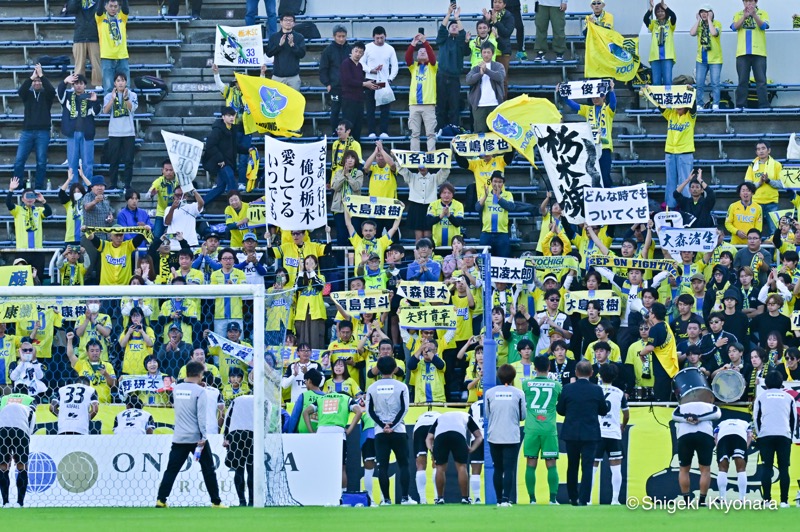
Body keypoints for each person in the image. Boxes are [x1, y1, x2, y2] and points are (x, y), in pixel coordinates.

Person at [156, 361, 226, 508]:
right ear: (200, 374)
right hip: (196, 438)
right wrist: (203, 437)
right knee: (208, 469)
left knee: (172, 469)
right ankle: (216, 502)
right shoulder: (201, 392)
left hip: (180, 436)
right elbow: (201, 417)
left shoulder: (176, 389)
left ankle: (161, 500)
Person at [556, 359, 610, 506]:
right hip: (590, 433)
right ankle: (584, 498)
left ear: (576, 372)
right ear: (592, 373)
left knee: (572, 465)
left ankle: (572, 497)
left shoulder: (567, 388)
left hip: (571, 432)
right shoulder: (596, 390)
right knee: (587, 466)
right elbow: (603, 410)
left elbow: (560, 410)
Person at [366, 356, 413, 505]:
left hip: (380, 432)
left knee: (382, 466)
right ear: (394, 369)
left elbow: (369, 411)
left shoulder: (372, 387)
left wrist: (383, 425)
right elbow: (405, 408)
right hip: (398, 430)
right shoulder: (401, 386)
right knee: (404, 464)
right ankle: (405, 498)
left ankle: (386, 500)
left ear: (378, 370)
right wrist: (392, 425)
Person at [302, 388, 362, 492]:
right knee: (341, 467)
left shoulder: (322, 398)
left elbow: (306, 412)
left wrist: (311, 431)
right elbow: (359, 411)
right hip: (338, 432)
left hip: (321, 432)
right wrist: (349, 430)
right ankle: (342, 495)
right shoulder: (347, 398)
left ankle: (322, 493)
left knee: (321, 466)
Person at [559, 80, 616, 188]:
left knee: (605, 174)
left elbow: (613, 103)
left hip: (604, 146)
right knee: (593, 174)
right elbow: (572, 104)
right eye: (592, 97)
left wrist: (612, 90)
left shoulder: (608, 110)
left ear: (603, 97)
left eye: (597, 97)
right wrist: (561, 92)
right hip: (591, 147)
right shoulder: (588, 109)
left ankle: (608, 195)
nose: (594, 99)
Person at [753, 371, 796, 507]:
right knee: (784, 468)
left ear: (766, 383)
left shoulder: (761, 396)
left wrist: (760, 434)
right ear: (781, 382)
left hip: (766, 435)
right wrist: (790, 435)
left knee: (766, 467)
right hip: (784, 435)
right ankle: (784, 501)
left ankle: (767, 500)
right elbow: (793, 419)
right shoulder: (788, 397)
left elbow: (756, 418)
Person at [523, 356, 562, 505]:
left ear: (534, 368)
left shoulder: (527, 384)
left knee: (530, 464)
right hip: (549, 429)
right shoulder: (556, 385)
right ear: (549, 367)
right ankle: (553, 499)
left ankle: (532, 499)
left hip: (532, 429)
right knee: (551, 464)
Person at [484, 364, 525, 506]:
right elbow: (522, 415)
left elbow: (487, 414)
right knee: (509, 468)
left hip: (494, 434)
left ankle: (498, 500)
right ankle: (506, 499)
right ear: (513, 377)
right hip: (511, 435)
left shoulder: (489, 393)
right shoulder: (519, 393)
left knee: (498, 468)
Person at [426, 410, 483, 504]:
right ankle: (465, 498)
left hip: (441, 437)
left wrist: (431, 449)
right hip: (458, 435)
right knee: (461, 467)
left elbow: (429, 438)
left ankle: (440, 498)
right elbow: (479, 436)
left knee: (440, 468)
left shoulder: (440, 417)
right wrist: (472, 449)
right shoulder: (467, 415)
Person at [591, 363, 629, 505]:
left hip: (597, 433)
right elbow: (626, 414)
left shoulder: (594, 390)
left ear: (599, 375)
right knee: (616, 468)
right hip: (613, 433)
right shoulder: (619, 393)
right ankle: (615, 500)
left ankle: (588, 499)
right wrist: (622, 426)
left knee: (593, 467)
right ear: (615, 376)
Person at [672, 399, 721, 505]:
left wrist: (688, 418)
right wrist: (699, 418)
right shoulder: (709, 405)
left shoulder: (681, 406)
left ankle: (686, 501)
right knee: (705, 469)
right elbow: (717, 414)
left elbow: (674, 416)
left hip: (685, 435)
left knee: (684, 469)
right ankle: (702, 501)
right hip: (704, 434)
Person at [14, 64, 55, 189]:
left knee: (41, 161)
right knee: (19, 160)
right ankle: (17, 185)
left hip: (42, 132)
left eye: (39, 81)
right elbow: (20, 91)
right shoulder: (27, 95)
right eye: (35, 81)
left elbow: (52, 91)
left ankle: (38, 186)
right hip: (27, 131)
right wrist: (32, 77)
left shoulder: (47, 96)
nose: (37, 83)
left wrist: (41, 75)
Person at [654, 88, 696, 209]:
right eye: (677, 103)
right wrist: (651, 91)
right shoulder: (671, 113)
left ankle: (687, 207)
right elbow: (660, 104)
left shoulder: (691, 116)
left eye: (682, 103)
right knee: (670, 182)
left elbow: (693, 105)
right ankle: (670, 207)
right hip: (670, 152)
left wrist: (690, 91)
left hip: (685, 152)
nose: (679, 106)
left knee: (685, 181)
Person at [58, 73, 102, 181]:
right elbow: (59, 94)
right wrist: (64, 81)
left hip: (87, 134)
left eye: (81, 83)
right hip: (72, 134)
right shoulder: (68, 97)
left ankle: (87, 188)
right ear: (73, 85)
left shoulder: (90, 97)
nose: (78, 86)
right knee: (72, 163)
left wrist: (95, 101)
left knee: (87, 163)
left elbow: (97, 112)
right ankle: (74, 189)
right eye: (76, 83)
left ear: (85, 85)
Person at [203, 107, 249, 204]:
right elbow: (210, 145)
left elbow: (235, 146)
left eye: (233, 115)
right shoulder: (217, 130)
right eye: (229, 116)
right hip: (221, 162)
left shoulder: (232, 129)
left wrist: (247, 150)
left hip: (228, 162)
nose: (231, 118)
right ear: (223, 117)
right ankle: (237, 205)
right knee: (231, 180)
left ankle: (200, 204)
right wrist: (220, 159)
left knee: (220, 188)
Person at [0, 388, 36, 507]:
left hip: (2, 431)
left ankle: (5, 503)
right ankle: (20, 503)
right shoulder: (29, 405)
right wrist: (26, 440)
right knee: (22, 467)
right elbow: (30, 425)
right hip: (20, 432)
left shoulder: (4, 402)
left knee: (3, 467)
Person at [636, 302, 679, 402]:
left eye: (650, 312)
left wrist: (641, 353)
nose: (649, 314)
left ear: (654, 314)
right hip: (669, 367)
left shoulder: (654, 329)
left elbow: (650, 347)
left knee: (661, 399)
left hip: (661, 367)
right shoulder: (665, 325)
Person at [732, 0, 770, 109]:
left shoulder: (763, 13)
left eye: (751, 1)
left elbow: (764, 26)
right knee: (743, 80)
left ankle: (764, 106)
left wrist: (754, 15)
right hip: (742, 52)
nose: (749, 3)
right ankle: (741, 106)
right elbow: (734, 27)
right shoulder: (738, 14)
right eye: (746, 1)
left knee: (761, 81)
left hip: (759, 52)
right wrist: (744, 17)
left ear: (756, 2)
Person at [435, 5, 468, 130]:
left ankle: (453, 129)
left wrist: (457, 19)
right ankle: (440, 130)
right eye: (452, 26)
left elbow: (463, 34)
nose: (454, 27)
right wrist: (448, 14)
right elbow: (442, 28)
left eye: (456, 26)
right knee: (441, 106)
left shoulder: (460, 42)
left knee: (454, 106)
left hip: (455, 78)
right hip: (442, 77)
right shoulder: (443, 40)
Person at [362, 26, 398, 139]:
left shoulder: (390, 49)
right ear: (373, 37)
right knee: (370, 107)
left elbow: (395, 65)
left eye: (382, 38)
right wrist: (371, 70)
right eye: (377, 38)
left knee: (385, 108)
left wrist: (390, 78)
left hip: (384, 81)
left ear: (385, 36)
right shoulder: (367, 48)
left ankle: (384, 131)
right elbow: (362, 63)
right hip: (370, 79)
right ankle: (371, 131)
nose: (379, 40)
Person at [102, 72, 137, 189]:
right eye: (118, 80)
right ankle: (113, 184)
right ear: (114, 83)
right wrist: (112, 100)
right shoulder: (108, 96)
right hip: (114, 133)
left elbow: (132, 108)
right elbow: (105, 111)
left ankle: (127, 184)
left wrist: (126, 98)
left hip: (129, 132)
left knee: (128, 161)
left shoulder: (132, 95)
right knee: (114, 160)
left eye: (122, 80)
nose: (120, 83)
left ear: (126, 82)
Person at [406, 33, 437, 153]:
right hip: (414, 104)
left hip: (429, 104)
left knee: (430, 133)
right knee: (414, 133)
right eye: (420, 52)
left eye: (425, 51)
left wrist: (425, 42)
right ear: (417, 56)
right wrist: (413, 44)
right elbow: (408, 58)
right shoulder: (413, 67)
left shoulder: (433, 67)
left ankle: (432, 155)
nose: (423, 52)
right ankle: (415, 154)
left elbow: (433, 58)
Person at [745, 140, 783, 236]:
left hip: (772, 202)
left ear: (769, 150)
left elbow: (781, 184)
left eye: (763, 148)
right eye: (758, 149)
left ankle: (772, 252)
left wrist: (769, 181)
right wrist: (760, 183)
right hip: (756, 203)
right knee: (754, 231)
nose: (761, 151)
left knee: (774, 231)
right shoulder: (752, 165)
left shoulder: (776, 165)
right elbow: (748, 185)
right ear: (756, 152)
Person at [340, 42, 377, 141]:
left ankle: (355, 153)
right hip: (348, 100)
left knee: (357, 128)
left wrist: (371, 84)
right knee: (348, 128)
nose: (358, 54)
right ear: (351, 51)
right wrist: (365, 84)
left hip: (359, 100)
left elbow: (359, 82)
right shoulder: (346, 63)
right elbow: (348, 81)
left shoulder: (360, 66)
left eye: (360, 52)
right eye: (356, 51)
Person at [223, 393, 255, 507]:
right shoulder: (262, 400)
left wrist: (226, 437)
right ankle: (252, 501)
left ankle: (242, 501)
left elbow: (228, 417)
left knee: (239, 468)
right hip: (253, 433)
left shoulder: (237, 399)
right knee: (252, 469)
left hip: (235, 433)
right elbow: (266, 417)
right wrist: (263, 435)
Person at [466, 42, 505, 133]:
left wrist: (486, 70)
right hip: (479, 105)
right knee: (480, 134)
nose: (486, 55)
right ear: (481, 53)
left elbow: (500, 77)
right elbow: (468, 80)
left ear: (492, 53)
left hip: (495, 104)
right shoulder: (476, 68)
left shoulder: (498, 66)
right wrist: (480, 74)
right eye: (484, 52)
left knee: (497, 133)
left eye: (488, 52)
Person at [6, 178, 52, 251]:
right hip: (22, 249)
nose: (29, 199)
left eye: (31, 196)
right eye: (27, 196)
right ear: (22, 199)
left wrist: (43, 201)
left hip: (38, 249)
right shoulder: (18, 210)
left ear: (34, 198)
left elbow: (49, 212)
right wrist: (11, 190)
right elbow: (8, 204)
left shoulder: (39, 210)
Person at [690, 5, 722, 109]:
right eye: (702, 12)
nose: (704, 14)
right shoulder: (699, 25)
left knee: (715, 83)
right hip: (701, 59)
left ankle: (716, 104)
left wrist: (709, 19)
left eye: (706, 12)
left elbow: (714, 33)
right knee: (699, 83)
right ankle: (699, 104)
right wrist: (698, 20)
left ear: (711, 13)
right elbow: (692, 33)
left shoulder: (717, 24)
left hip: (715, 59)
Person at [476, 171, 515, 258]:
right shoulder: (484, 194)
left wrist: (499, 197)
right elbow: (477, 208)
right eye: (495, 181)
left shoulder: (508, 194)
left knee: (503, 260)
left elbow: (511, 207)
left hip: (502, 234)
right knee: (483, 261)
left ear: (503, 183)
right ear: (491, 182)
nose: (497, 184)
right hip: (486, 233)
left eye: (500, 182)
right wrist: (485, 196)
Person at [320, 26, 351, 133]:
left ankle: (347, 133)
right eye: (339, 36)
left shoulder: (350, 50)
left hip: (349, 87)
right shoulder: (328, 51)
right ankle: (335, 132)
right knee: (335, 111)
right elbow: (323, 69)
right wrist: (327, 84)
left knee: (348, 112)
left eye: (343, 36)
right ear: (334, 36)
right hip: (335, 86)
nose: (341, 39)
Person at [714, 418, 752, 502]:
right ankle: (742, 499)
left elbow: (715, 436)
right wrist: (745, 447)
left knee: (722, 469)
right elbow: (749, 435)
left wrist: (718, 447)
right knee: (741, 469)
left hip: (723, 438)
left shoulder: (722, 423)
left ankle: (722, 498)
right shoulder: (745, 422)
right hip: (739, 437)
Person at [95, 0, 130, 93]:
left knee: (126, 88)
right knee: (109, 88)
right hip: (107, 57)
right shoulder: (101, 18)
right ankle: (110, 108)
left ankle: (125, 107)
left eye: (115, 6)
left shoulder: (122, 17)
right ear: (105, 6)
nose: (113, 8)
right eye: (111, 6)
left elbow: (126, 9)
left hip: (122, 56)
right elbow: (98, 10)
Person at [266, 13, 306, 91]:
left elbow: (302, 54)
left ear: (294, 23)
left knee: (294, 102)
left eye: (290, 20)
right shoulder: (274, 37)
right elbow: (269, 53)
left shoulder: (299, 37)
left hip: (293, 77)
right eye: (286, 20)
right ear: (281, 22)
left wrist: (293, 45)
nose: (288, 22)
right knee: (277, 102)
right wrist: (279, 45)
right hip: (277, 77)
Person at [67, 0, 102, 89]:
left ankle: (98, 83)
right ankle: (78, 84)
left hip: (94, 35)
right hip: (80, 35)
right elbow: (70, 8)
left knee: (96, 63)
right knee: (79, 64)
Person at [483, 0, 514, 95]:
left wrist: (496, 22)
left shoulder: (509, 16)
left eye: (500, 2)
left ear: (504, 4)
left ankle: (502, 103)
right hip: (489, 51)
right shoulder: (489, 14)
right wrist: (487, 21)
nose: (497, 4)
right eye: (495, 2)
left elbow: (506, 33)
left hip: (502, 50)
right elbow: (482, 31)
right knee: (487, 78)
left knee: (502, 79)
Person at [644, 0, 677, 86]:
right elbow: (645, 19)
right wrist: (651, 8)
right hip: (655, 57)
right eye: (658, 11)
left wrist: (666, 7)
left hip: (667, 56)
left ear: (666, 12)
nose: (660, 13)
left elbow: (673, 17)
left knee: (667, 82)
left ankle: (667, 99)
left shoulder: (670, 24)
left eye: (662, 11)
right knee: (656, 82)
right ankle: (657, 100)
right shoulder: (653, 24)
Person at [148, 160, 178, 239]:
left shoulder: (179, 181)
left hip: (176, 212)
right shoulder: (158, 181)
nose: (168, 172)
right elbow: (147, 196)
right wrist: (151, 194)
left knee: (177, 236)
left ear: (175, 170)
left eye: (171, 170)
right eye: (166, 170)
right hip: (161, 212)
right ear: (162, 170)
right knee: (157, 236)